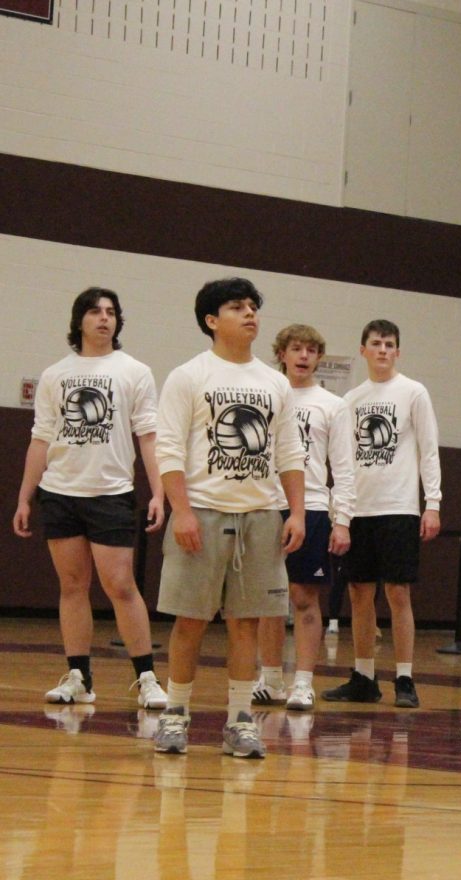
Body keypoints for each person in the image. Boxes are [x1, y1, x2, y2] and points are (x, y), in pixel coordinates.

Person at [152, 277, 306, 759]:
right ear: (211, 320)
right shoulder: (189, 376)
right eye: (237, 307)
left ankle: (241, 720)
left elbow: (289, 452)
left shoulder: (274, 381)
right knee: (190, 622)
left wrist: (296, 511)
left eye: (253, 306)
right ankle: (175, 713)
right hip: (200, 511)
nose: (250, 313)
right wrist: (181, 510)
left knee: (247, 624)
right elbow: (169, 448)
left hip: (260, 516)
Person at [12, 287, 168, 710]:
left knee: (120, 584)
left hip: (111, 493)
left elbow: (149, 437)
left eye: (112, 312)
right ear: (79, 319)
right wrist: (26, 497)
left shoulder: (134, 371)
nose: (104, 318)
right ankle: (79, 676)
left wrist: (159, 491)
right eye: (96, 311)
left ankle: (148, 677)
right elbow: (41, 439)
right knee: (72, 585)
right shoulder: (55, 374)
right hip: (60, 493)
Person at [322, 319, 441, 709]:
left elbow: (428, 450)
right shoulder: (350, 400)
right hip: (360, 509)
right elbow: (341, 460)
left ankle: (404, 677)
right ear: (363, 350)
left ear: (398, 351)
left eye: (390, 344)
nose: (384, 350)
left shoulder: (413, 393)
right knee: (359, 593)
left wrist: (433, 503)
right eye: (376, 343)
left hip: (399, 507)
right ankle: (364, 676)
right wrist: (341, 510)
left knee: (398, 592)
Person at [253, 325, 355, 711]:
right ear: (282, 353)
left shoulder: (332, 405)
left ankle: (304, 682)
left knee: (303, 596)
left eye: (312, 350)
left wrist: (341, 519)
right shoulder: (266, 394)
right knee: (267, 597)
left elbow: (344, 468)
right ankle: (272, 678)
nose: (304, 356)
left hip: (311, 507)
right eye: (296, 348)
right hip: (266, 505)